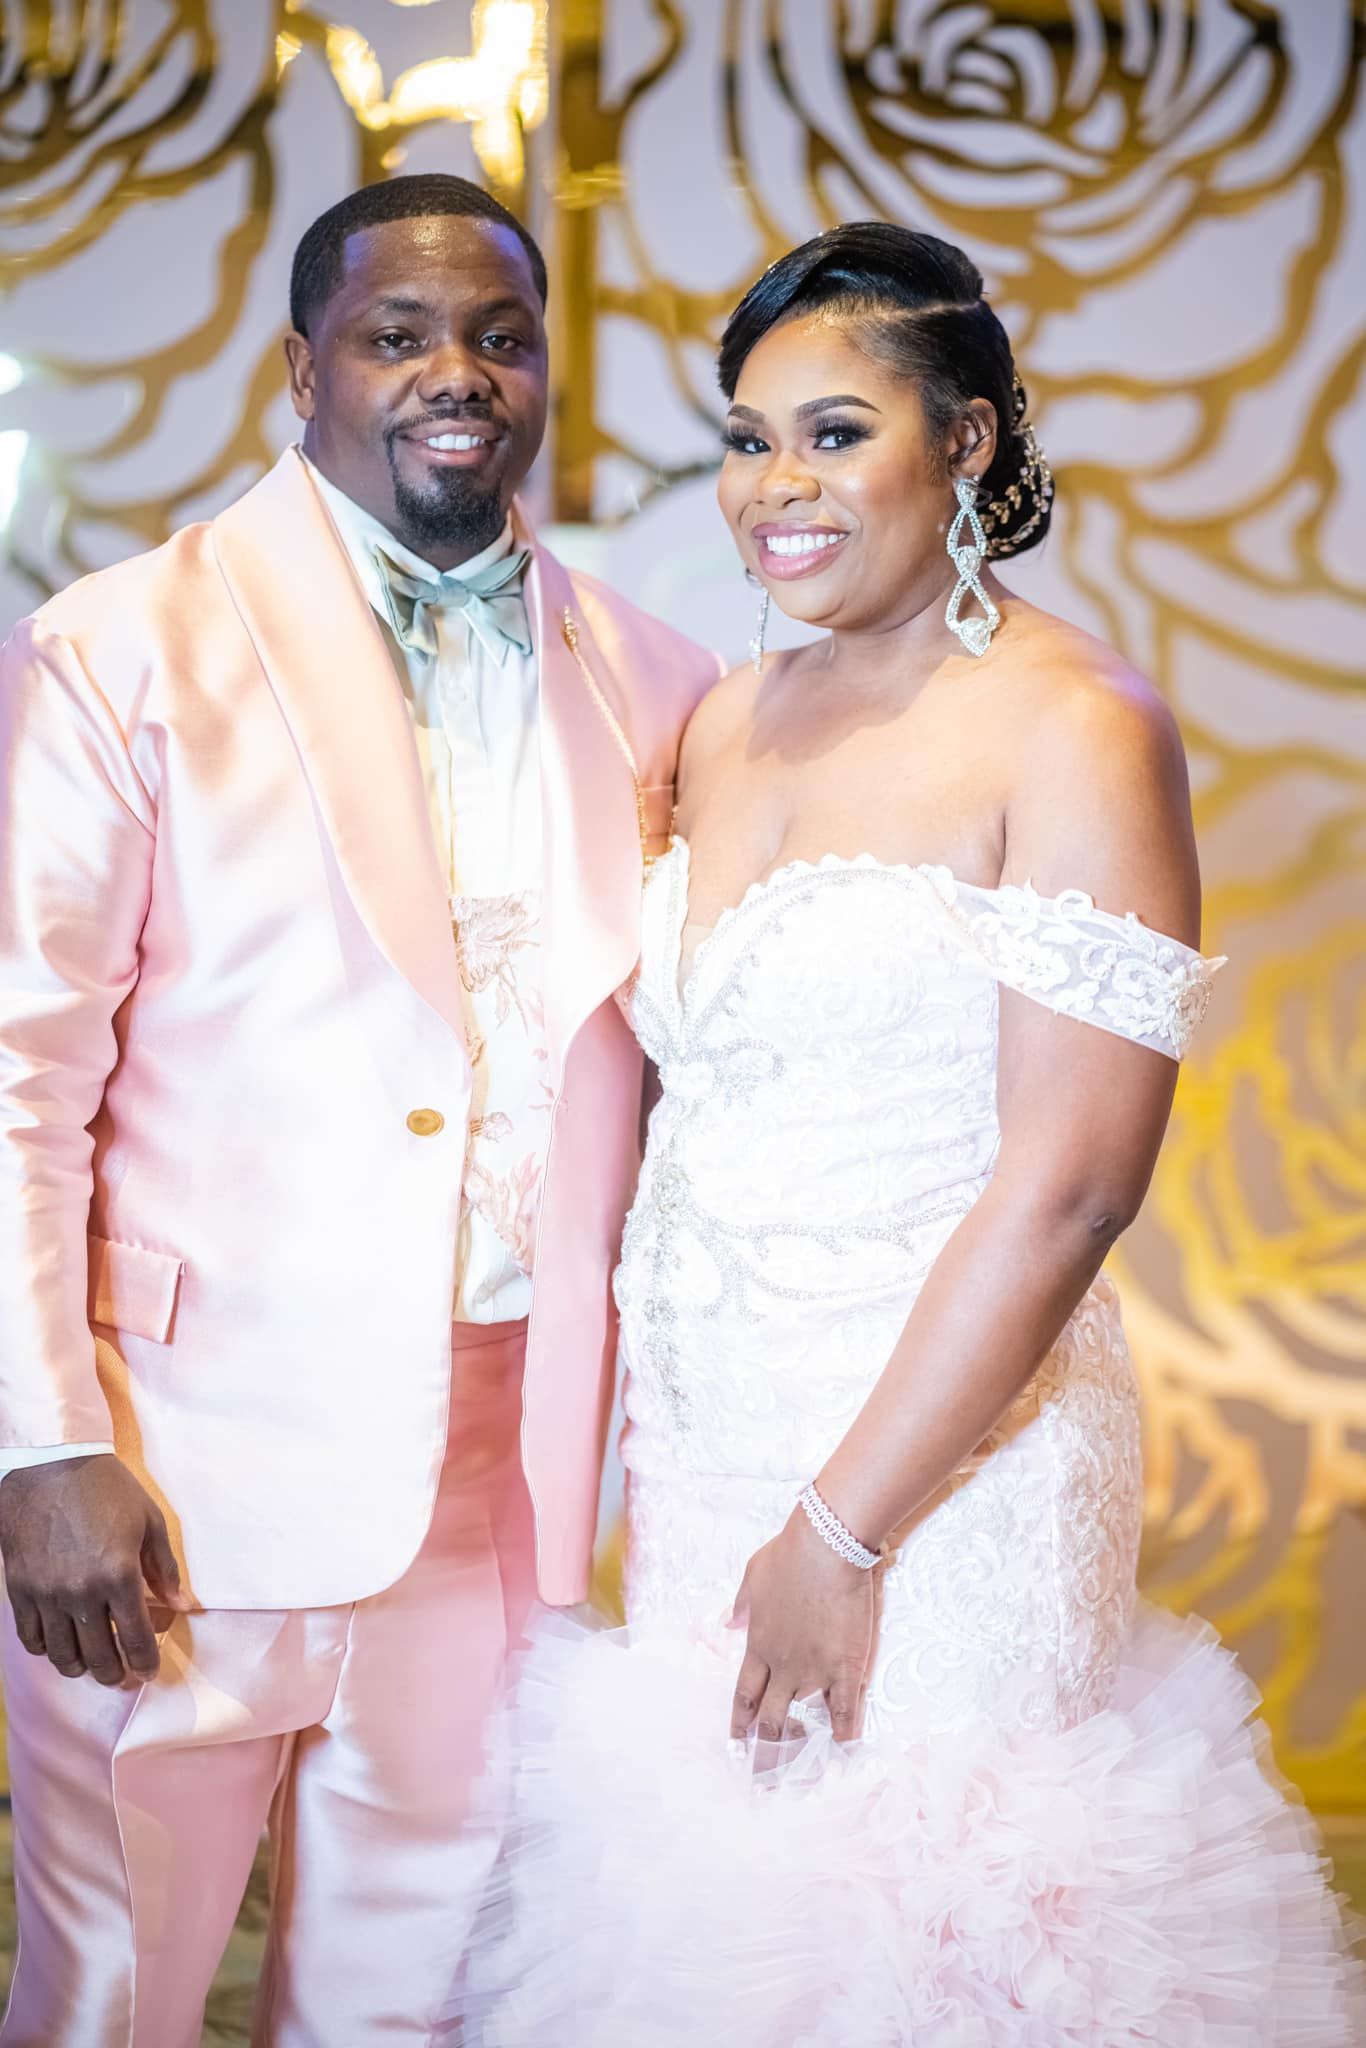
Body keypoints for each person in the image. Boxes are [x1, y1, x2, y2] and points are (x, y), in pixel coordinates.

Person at [452, 224, 1365, 2044]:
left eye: (834, 432)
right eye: (744, 436)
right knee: (722, 1924)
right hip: (710, 1449)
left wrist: (842, 1535)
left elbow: (1071, 1187)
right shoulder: (718, 722)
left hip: (949, 1468)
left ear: (966, 442)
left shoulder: (1075, 726)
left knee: (924, 1929)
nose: (772, 488)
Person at [0, 173, 720, 2046]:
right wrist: (34, 1440)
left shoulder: (649, 673)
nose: (454, 374)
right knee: (108, 1996)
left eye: (496, 335)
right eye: (397, 335)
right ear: (297, 369)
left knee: (412, 2004)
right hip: (167, 1473)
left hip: (492, 1488)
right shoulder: (122, 641)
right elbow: (21, 1069)